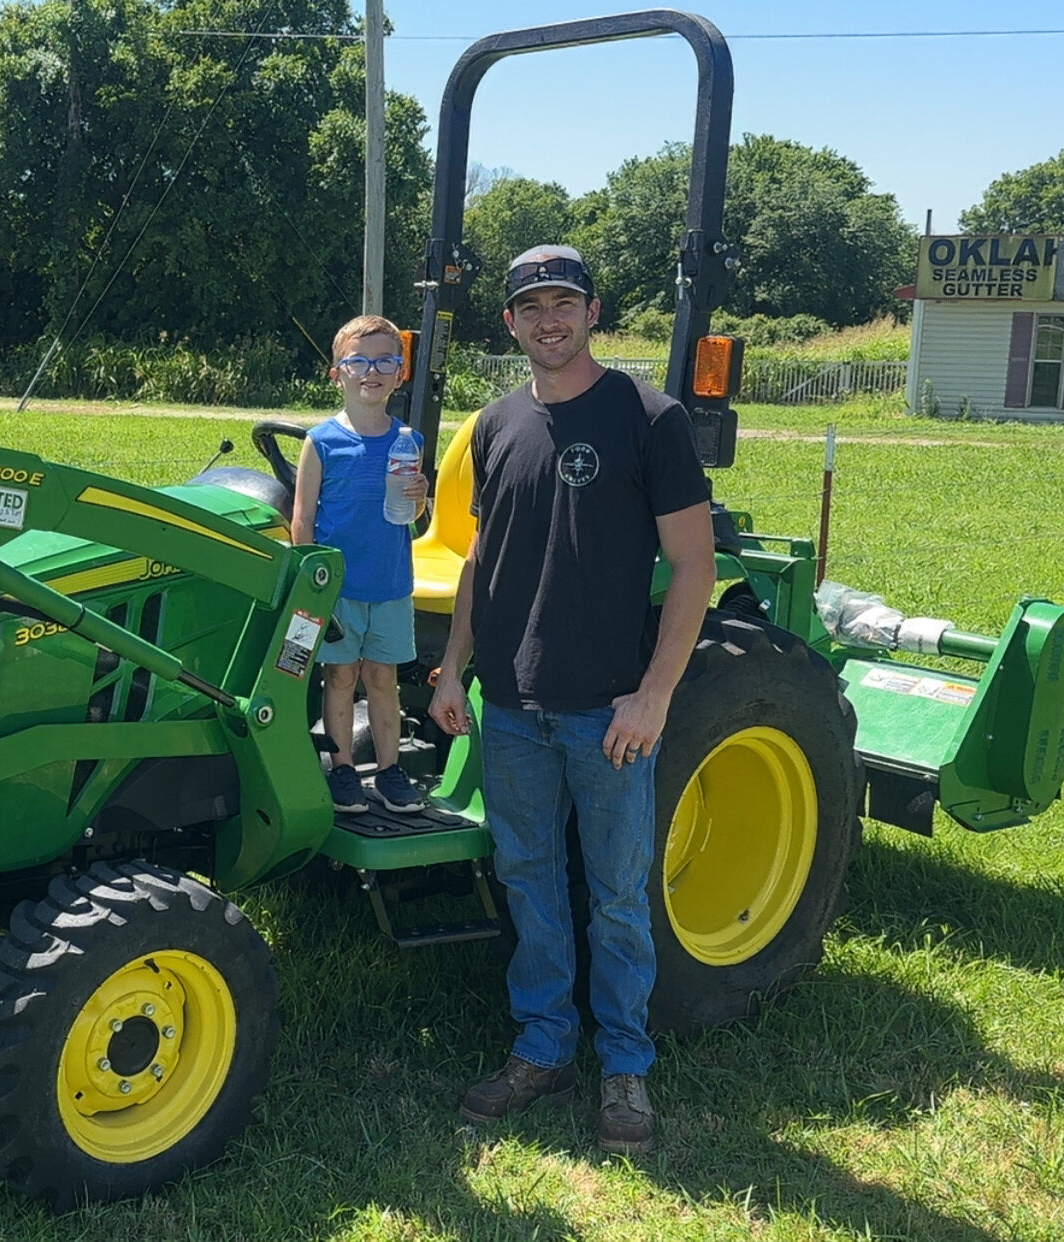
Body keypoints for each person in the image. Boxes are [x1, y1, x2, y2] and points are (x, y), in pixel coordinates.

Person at [428, 245, 715, 1156]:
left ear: (593, 313)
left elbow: (694, 565)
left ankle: (624, 1065)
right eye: (531, 307)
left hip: (608, 711)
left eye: (564, 303)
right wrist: (453, 667)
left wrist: (654, 695)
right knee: (529, 881)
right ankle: (544, 1047)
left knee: (618, 895)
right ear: (509, 323)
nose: (548, 320)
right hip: (512, 704)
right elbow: (483, 556)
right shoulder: (495, 425)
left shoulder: (649, 418)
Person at [292, 314, 430, 816]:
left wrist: (421, 497)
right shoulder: (321, 442)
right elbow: (303, 518)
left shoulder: (408, 442)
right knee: (340, 677)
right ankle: (343, 769)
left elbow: (410, 514)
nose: (372, 371)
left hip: (390, 585)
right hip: (340, 590)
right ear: (338, 374)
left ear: (400, 373)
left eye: (385, 361)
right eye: (359, 362)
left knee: (383, 679)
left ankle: (391, 771)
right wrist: (312, 586)